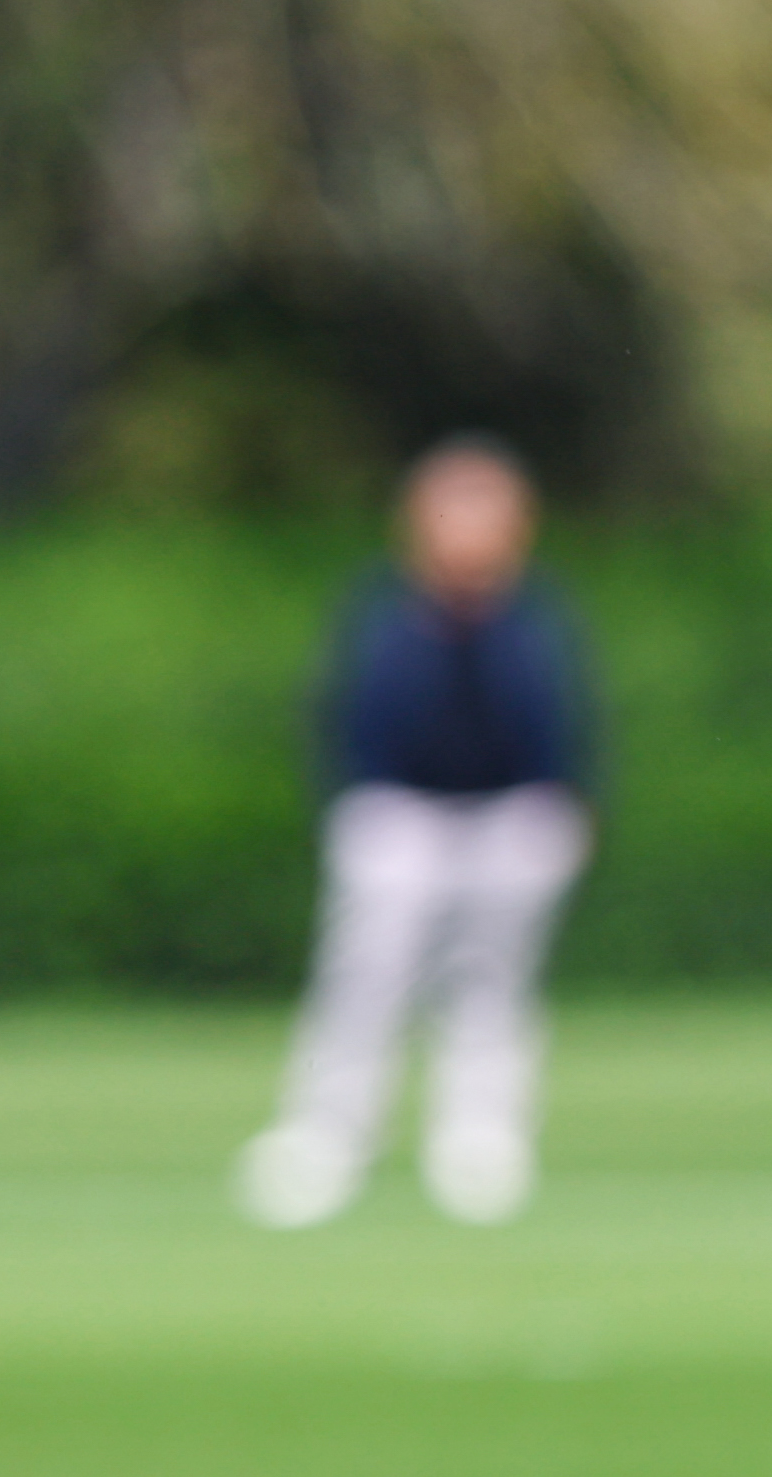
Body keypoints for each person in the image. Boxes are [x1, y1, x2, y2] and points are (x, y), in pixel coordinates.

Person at [234, 440, 597, 1231]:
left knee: (490, 987)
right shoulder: (388, 612)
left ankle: (479, 1138)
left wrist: (566, 808)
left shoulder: (531, 617)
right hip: (403, 818)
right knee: (364, 980)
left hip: (508, 819)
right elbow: (357, 719)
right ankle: (331, 1134)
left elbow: (560, 725)